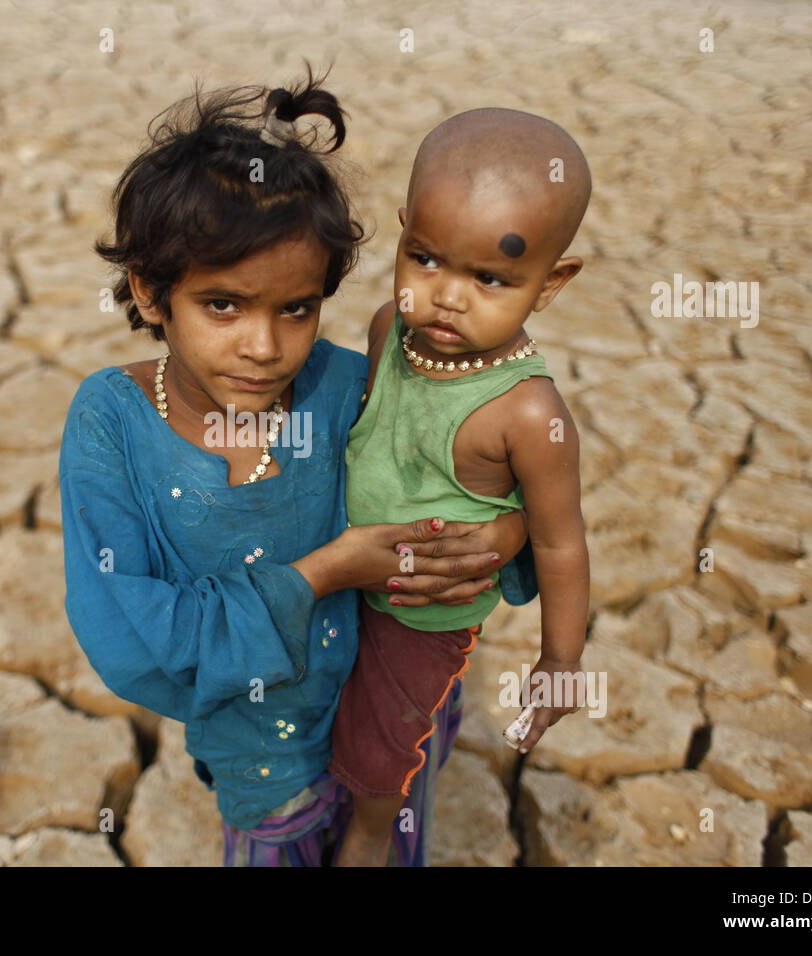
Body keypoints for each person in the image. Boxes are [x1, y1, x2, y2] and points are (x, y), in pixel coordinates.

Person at [60, 66, 539, 867]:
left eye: (297, 308)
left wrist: (506, 533)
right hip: (263, 760)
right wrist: (324, 573)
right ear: (150, 292)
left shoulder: (348, 387)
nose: (265, 346)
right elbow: (136, 639)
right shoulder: (113, 423)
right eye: (223, 305)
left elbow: (490, 489)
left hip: (387, 727)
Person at [328, 108, 593, 866]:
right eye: (427, 259)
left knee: (381, 747)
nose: (447, 295)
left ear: (551, 283)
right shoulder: (388, 330)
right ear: (405, 233)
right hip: (349, 576)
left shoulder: (527, 410)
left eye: (490, 278)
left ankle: (370, 836)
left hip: (424, 612)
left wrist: (561, 662)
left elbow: (560, 539)